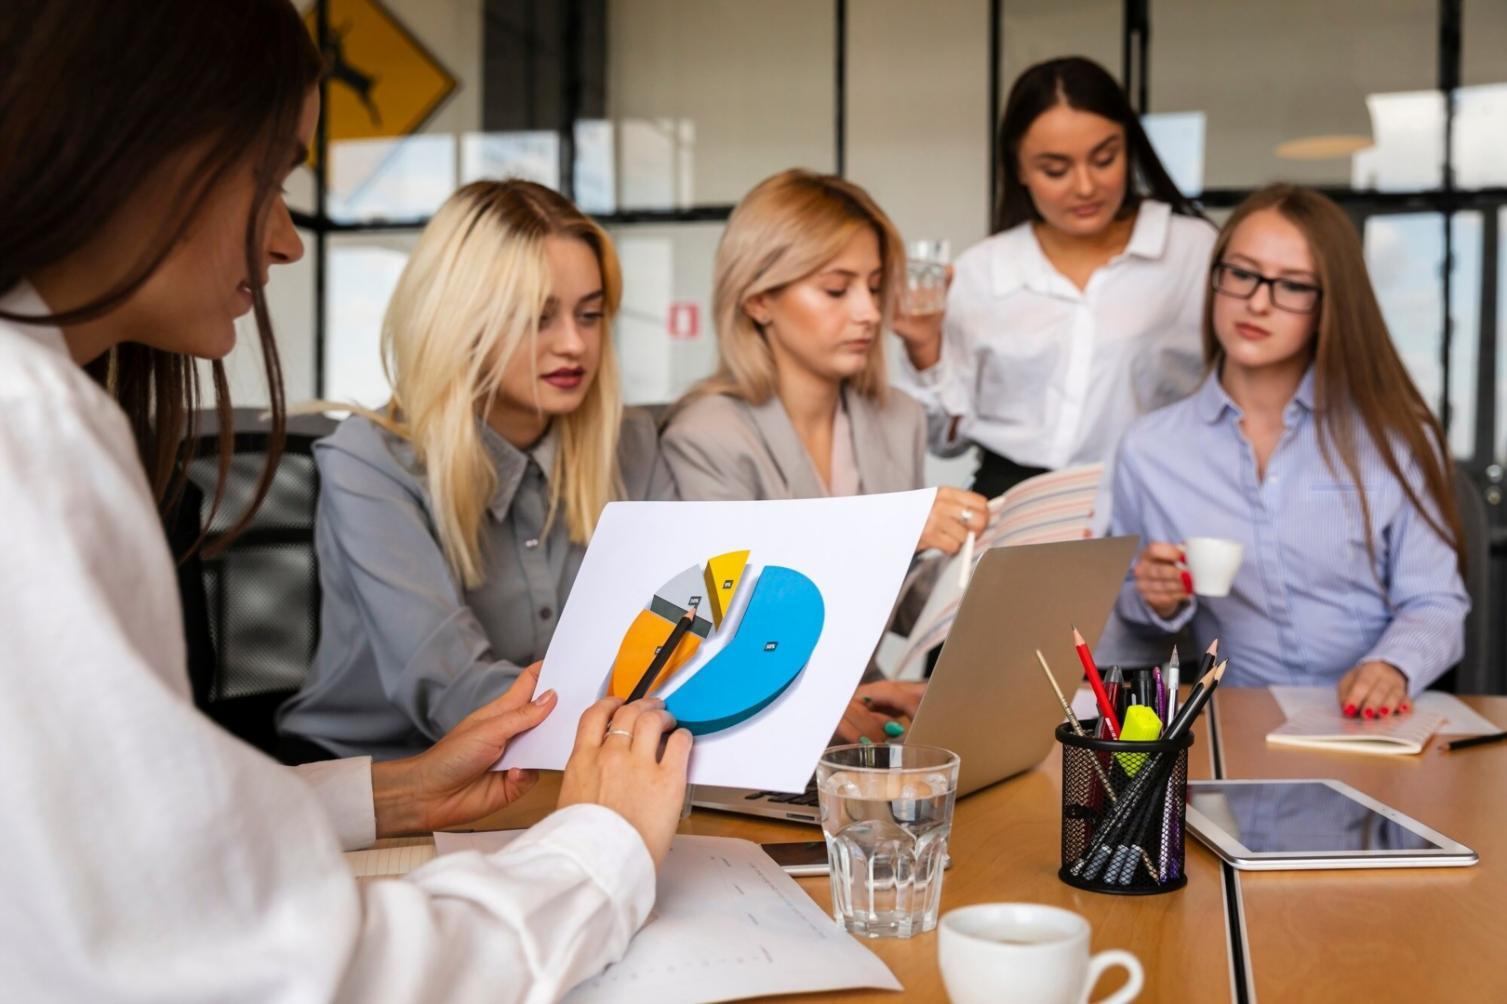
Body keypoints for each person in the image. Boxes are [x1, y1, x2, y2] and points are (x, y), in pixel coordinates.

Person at [0, 3, 689, 999]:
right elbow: (269, 968)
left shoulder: (41, 410)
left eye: (588, 314)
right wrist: (603, 848)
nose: (286, 241)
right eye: (270, 179)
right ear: (137, 142)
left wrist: (400, 791)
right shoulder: (33, 424)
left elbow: (109, 838)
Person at [277, 179, 676, 762]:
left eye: (589, 315)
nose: (574, 345)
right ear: (459, 321)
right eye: (537, 318)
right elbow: (455, 692)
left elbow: (681, 636)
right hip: (378, 779)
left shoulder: (631, 444)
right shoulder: (368, 463)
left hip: (565, 762)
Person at [1108, 184, 1469, 719]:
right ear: (1216, 278)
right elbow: (1123, 618)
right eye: (1243, 273)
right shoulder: (1149, 450)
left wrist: (1392, 666)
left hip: (1376, 725)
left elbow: (1436, 602)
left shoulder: (1392, 438)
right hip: (1238, 725)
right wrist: (1153, 598)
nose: (1258, 302)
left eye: (1294, 286)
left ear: (1329, 306)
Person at [661, 169, 988, 741]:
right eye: (837, 290)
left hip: (869, 700)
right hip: (753, 717)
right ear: (759, 299)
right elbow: (727, 626)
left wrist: (978, 561)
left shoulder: (898, 418)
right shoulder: (707, 435)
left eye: (874, 285)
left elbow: (905, 608)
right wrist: (897, 531)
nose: (867, 312)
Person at [892, 56, 1215, 499]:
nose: (1085, 187)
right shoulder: (983, 270)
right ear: (1020, 168)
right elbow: (946, 443)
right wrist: (924, 348)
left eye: (1104, 159)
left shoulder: (1192, 251)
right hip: (1013, 498)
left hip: (1153, 493)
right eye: (1055, 170)